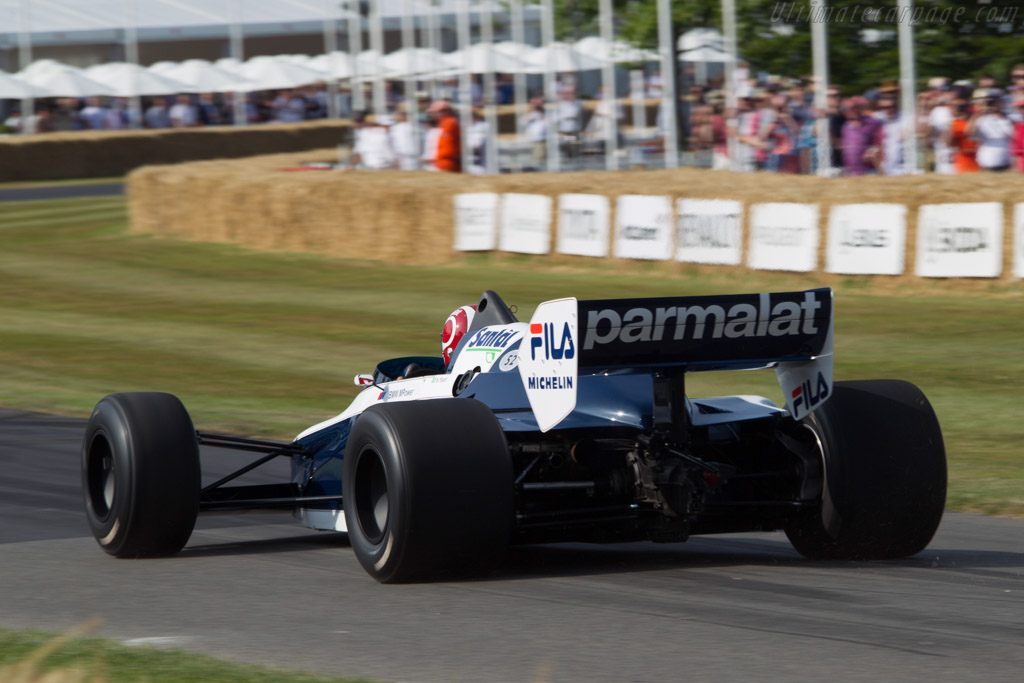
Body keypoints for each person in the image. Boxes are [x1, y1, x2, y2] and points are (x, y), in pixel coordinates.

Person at [968, 93, 1015, 171]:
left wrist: (1001, 116)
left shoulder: (1010, 117)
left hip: (1006, 161)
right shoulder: (980, 120)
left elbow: (1014, 135)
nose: (992, 106)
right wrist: (977, 113)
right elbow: (970, 135)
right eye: (989, 104)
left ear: (1001, 103)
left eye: (994, 103)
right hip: (986, 162)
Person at [840, 96, 882, 176]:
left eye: (855, 107)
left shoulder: (872, 122)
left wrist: (872, 151)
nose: (853, 111)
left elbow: (879, 142)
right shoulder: (845, 126)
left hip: (868, 171)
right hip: (850, 172)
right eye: (848, 109)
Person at [427, 100, 461, 173]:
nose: (432, 115)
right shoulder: (443, 123)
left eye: (435, 112)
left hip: (446, 162)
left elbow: (447, 146)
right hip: (442, 161)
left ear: (444, 112)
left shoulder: (449, 123)